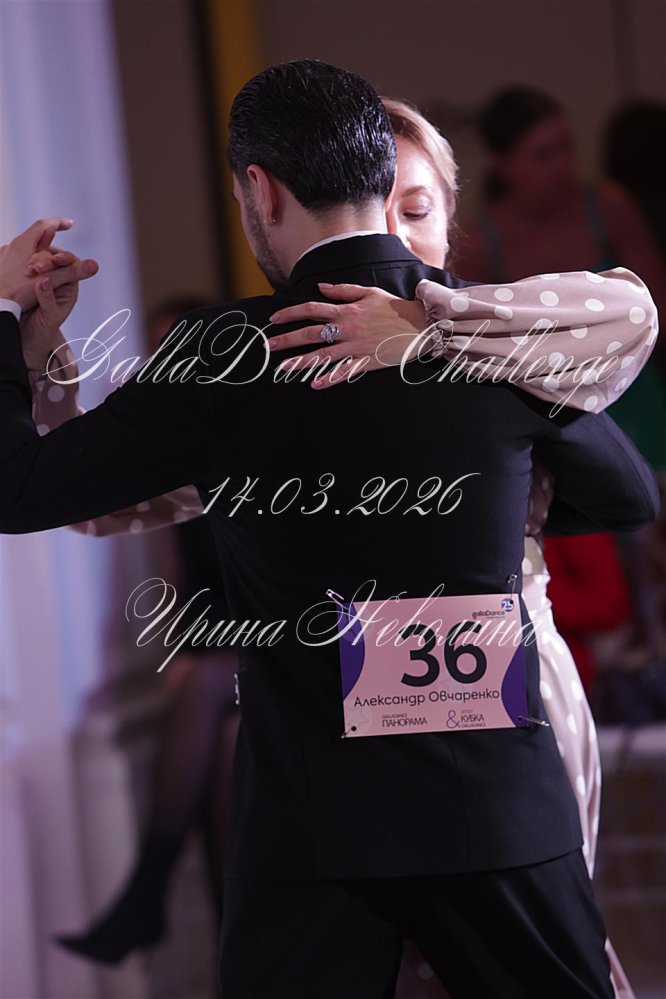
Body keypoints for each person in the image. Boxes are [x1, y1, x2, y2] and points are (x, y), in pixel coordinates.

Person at [0, 61, 660, 999]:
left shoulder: (221, 356)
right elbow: (626, 495)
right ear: (381, 187)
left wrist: (13, 327)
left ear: (260, 191)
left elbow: (28, 490)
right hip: (500, 814)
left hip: (316, 832)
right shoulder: (488, 345)